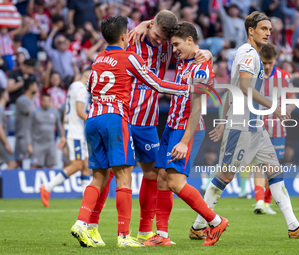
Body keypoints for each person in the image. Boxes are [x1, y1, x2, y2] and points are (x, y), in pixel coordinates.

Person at [191, 11, 299, 240]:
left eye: (270, 30)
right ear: (251, 30)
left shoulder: (251, 54)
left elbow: (233, 90)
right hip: (241, 126)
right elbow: (243, 87)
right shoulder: (249, 54)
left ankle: (294, 227)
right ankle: (198, 226)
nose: (268, 33)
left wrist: (223, 119)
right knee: (224, 177)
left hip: (255, 126)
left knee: (275, 171)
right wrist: (274, 106)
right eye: (263, 29)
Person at [86, 10, 213, 246]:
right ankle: (92, 225)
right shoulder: (132, 38)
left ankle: (146, 231)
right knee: (109, 173)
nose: (158, 41)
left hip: (147, 121)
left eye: (162, 38)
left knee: (153, 174)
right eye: (155, 34)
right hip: (122, 116)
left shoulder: (167, 47)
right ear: (150, 25)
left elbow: (188, 48)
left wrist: (207, 53)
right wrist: (144, 24)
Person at [142, 22, 228, 247]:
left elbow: (198, 108)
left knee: (175, 182)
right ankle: (162, 235)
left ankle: (215, 221)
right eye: (173, 45)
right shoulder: (186, 59)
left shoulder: (201, 69)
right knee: (161, 177)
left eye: (177, 44)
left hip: (186, 129)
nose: (175, 49)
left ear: (190, 41)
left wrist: (184, 141)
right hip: (171, 126)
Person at [253, 43, 296, 215]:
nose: (267, 66)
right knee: (259, 164)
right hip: (257, 125)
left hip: (278, 127)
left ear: (275, 60)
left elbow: (293, 99)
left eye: (270, 62)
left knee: (275, 166)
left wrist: (288, 110)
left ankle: (267, 203)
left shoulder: (283, 76)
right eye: (264, 63)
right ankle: (259, 201)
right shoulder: (254, 75)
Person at [39, 69, 92, 208]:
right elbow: (80, 112)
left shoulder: (73, 86)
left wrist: (63, 134)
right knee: (77, 165)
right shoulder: (82, 89)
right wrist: (94, 121)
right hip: (76, 132)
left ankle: (88, 200)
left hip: (73, 130)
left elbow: (67, 112)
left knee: (86, 164)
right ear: (89, 76)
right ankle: (47, 187)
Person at [27, 93, 62, 169]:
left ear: (50, 101)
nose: (46, 102)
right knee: (34, 166)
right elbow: (28, 129)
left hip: (50, 143)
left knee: (50, 166)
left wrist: (62, 139)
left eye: (48, 101)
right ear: (41, 101)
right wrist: (29, 144)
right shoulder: (35, 113)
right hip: (37, 143)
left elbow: (59, 128)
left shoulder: (55, 113)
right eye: (44, 100)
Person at [14, 77, 38, 168]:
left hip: (31, 135)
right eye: (36, 85)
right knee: (19, 162)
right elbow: (33, 113)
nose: (37, 88)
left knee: (32, 161)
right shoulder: (21, 100)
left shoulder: (32, 99)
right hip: (23, 135)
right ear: (30, 86)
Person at [0, 88, 16, 169]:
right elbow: (0, 128)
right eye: (6, 93)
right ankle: (7, 181)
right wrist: (6, 144)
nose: (8, 95)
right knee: (12, 163)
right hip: (1, 143)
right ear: (3, 95)